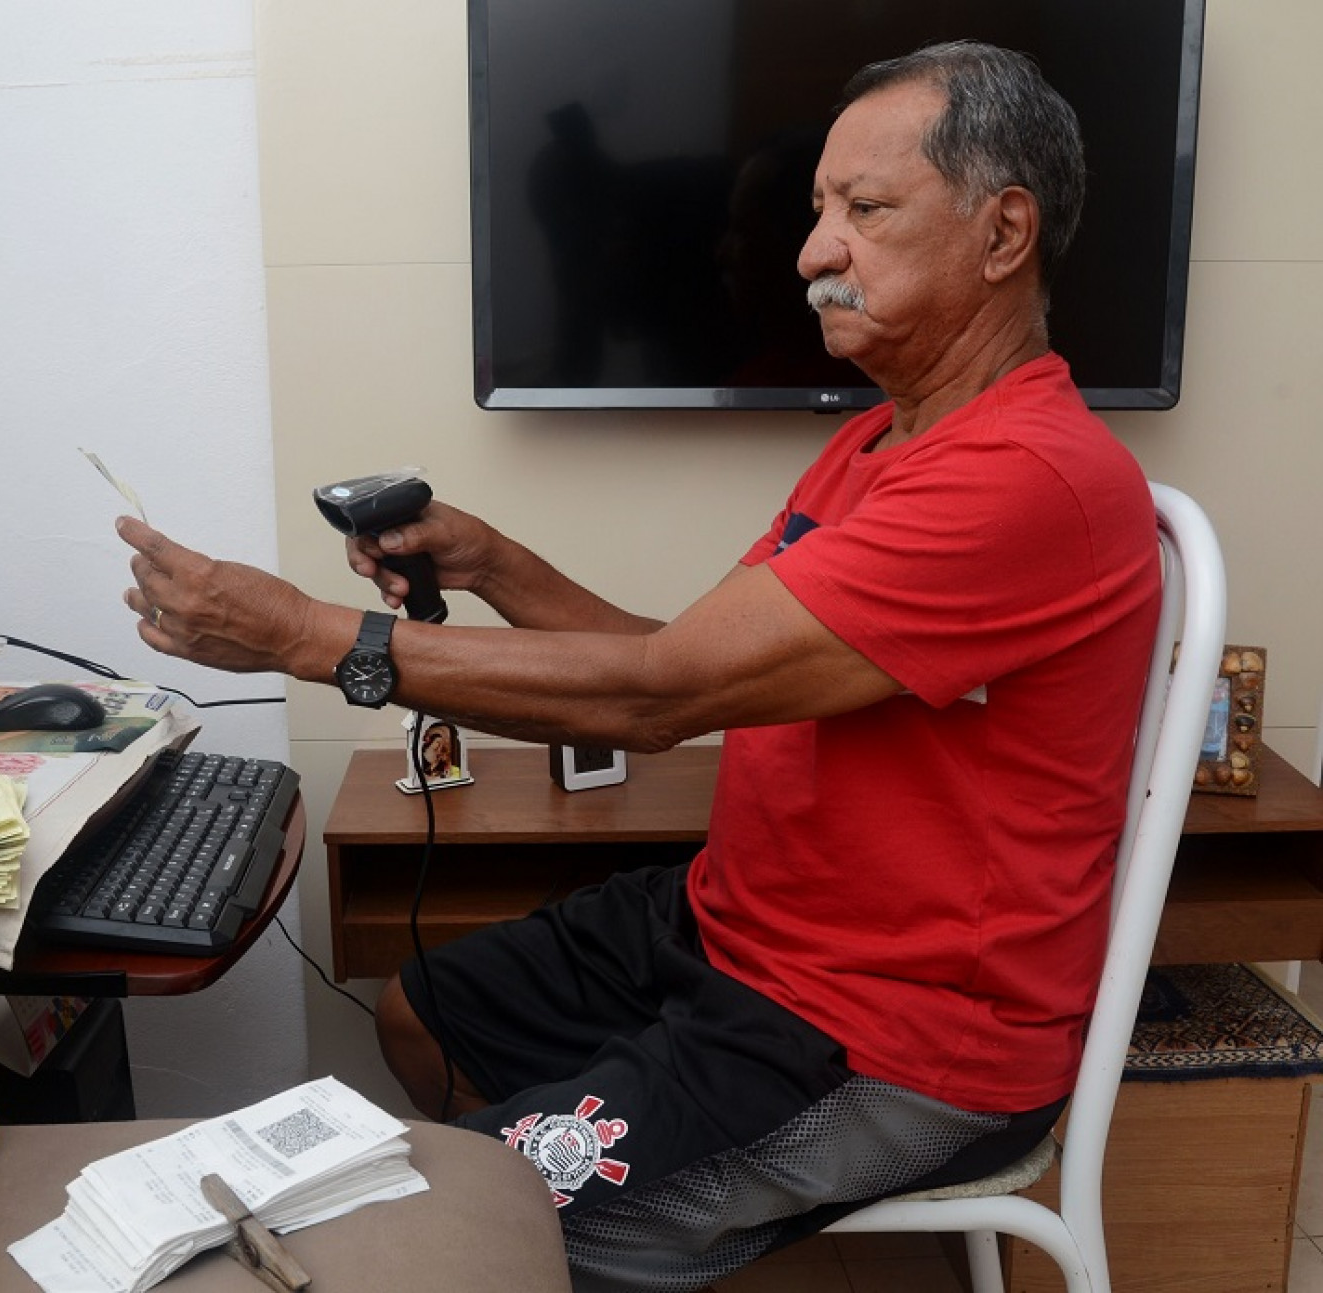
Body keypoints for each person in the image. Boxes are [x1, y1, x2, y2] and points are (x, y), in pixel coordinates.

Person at [116, 41, 1161, 1289]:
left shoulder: (1024, 477)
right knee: (421, 1012)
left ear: (1002, 234)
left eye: (864, 210)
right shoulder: (881, 445)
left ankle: (525, 1240)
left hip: (888, 1035)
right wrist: (492, 560)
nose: (811, 253)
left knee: (453, 1226)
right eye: (819, 210)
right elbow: (685, 661)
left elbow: (663, 697)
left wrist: (303, 636)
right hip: (736, 932)